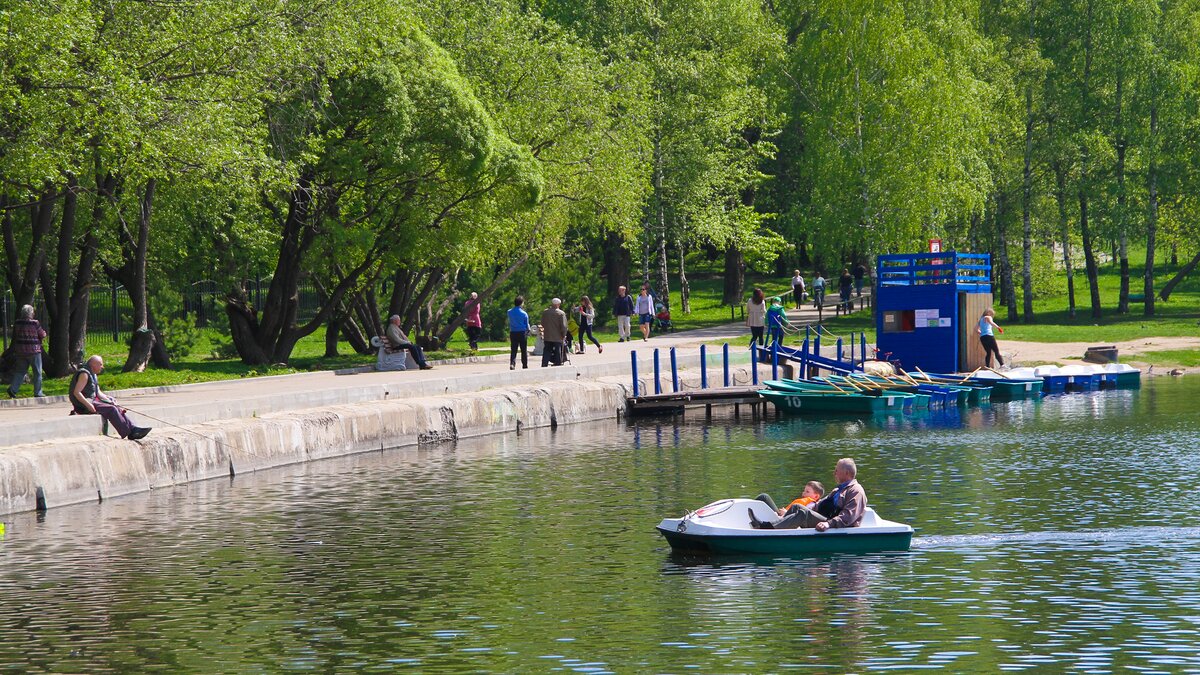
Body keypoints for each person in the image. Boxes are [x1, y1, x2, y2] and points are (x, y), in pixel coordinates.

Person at [750, 458, 865, 530]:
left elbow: (848, 516)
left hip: (836, 526)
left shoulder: (856, 491)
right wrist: (809, 507)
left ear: (847, 473)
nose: (834, 473)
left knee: (803, 513)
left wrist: (829, 524)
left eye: (837, 470)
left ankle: (766, 527)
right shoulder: (838, 489)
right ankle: (779, 528)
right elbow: (818, 505)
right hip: (824, 518)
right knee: (797, 507)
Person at [69, 356, 151, 440]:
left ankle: (133, 429)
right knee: (111, 409)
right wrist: (89, 405)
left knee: (115, 406)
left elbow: (98, 392)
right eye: (100, 364)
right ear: (93, 364)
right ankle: (128, 432)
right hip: (82, 405)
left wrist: (109, 399)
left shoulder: (93, 374)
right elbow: (77, 392)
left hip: (92, 401)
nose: (102, 367)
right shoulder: (84, 374)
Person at [7, 304, 46, 398]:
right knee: (37, 372)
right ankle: (38, 392)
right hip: (34, 351)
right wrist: (44, 333)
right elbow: (42, 334)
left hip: (20, 351)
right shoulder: (35, 323)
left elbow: (15, 334)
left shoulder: (17, 323)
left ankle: (13, 389)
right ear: (31, 313)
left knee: (20, 371)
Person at [540, 298, 568, 367]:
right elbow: (564, 326)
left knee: (547, 350)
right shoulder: (561, 313)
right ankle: (558, 363)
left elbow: (542, 323)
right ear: (558, 304)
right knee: (557, 349)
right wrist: (564, 334)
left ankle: (544, 363)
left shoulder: (545, 312)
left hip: (548, 335)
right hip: (557, 335)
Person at [507, 296, 530, 370]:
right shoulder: (524, 313)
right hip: (522, 332)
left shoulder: (509, 312)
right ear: (521, 303)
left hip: (513, 332)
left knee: (513, 349)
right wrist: (528, 330)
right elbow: (526, 324)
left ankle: (512, 363)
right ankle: (525, 364)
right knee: (523, 350)